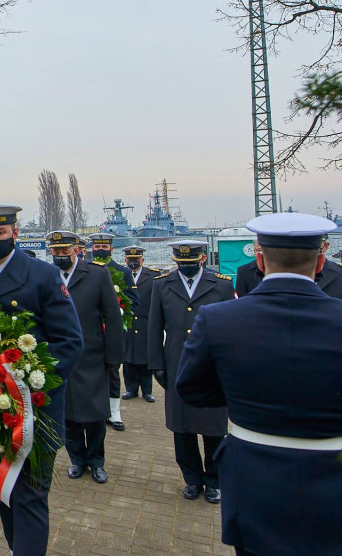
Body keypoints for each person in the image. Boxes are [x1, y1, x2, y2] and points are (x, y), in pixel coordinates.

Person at [177, 213, 342, 556]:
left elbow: (192, 389)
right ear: (321, 261)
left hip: (254, 473)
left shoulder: (218, 319)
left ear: (261, 259)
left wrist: (243, 395)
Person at [0, 206, 83, 556]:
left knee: (31, 495)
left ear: (15, 233)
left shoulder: (43, 276)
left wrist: (34, 387)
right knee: (4, 491)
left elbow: (70, 341)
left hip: (37, 410)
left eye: (0, 233)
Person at [148, 240, 235, 504]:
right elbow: (155, 328)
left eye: (191, 263)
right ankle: (192, 478)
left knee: (213, 427)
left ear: (203, 259)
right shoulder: (162, 284)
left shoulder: (221, 284)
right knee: (182, 427)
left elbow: (230, 331)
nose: (186, 268)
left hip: (211, 366)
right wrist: (157, 364)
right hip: (177, 363)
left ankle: (213, 480)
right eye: (181, 264)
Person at [48, 231, 122, 484]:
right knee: (68, 413)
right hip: (59, 358)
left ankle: (97, 461)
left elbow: (112, 316)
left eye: (64, 251)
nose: (59, 256)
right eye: (55, 252)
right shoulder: (47, 276)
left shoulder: (97, 274)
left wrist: (114, 356)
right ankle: (77, 460)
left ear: (76, 250)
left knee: (95, 414)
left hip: (92, 355)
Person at [89, 233, 138, 432]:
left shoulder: (123, 272)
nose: (100, 249)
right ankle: (92, 409)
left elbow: (134, 301)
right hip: (90, 329)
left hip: (113, 330)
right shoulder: (85, 269)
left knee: (113, 372)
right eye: (97, 246)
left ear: (111, 248)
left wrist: (117, 308)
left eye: (104, 246)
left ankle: (114, 411)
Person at [121, 246, 158, 402]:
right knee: (128, 357)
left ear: (142, 260)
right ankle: (131, 389)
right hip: (127, 323)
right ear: (125, 260)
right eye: (130, 260)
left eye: (136, 260)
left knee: (145, 358)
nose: (133, 262)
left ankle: (147, 390)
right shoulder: (120, 275)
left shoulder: (153, 276)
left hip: (145, 322)